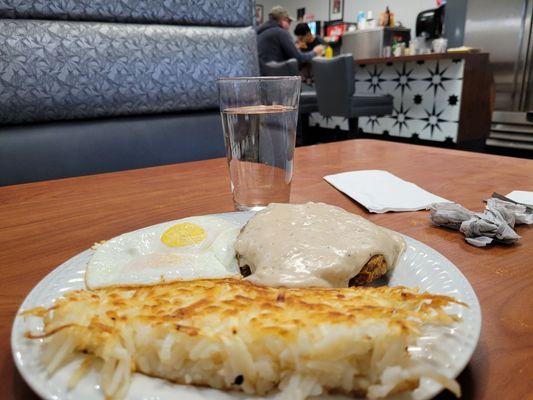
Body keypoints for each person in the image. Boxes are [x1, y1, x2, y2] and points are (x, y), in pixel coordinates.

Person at [257, 6, 324, 69]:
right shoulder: (280, 32)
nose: (289, 25)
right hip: (277, 75)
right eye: (289, 22)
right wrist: (315, 52)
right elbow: (298, 59)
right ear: (283, 20)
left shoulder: (261, 33)